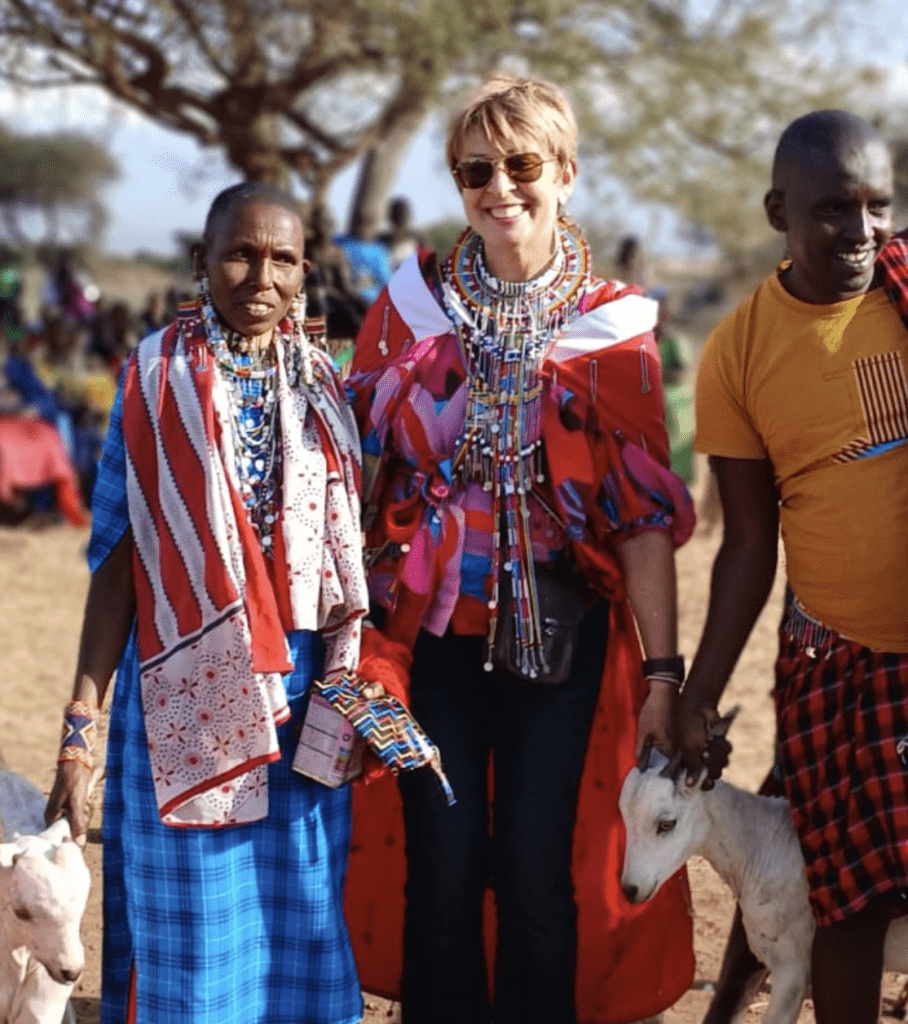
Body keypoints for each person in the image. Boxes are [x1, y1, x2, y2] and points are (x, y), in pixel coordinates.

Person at [343, 74, 696, 1024]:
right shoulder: (410, 304)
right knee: (443, 867)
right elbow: (348, 476)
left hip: (561, 639)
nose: (501, 187)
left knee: (540, 871)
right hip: (431, 641)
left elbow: (643, 521)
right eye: (476, 171)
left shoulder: (613, 330)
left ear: (567, 175)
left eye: (524, 165)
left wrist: (665, 675)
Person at [44, 181, 371, 1024]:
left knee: (299, 914)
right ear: (201, 262)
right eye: (240, 252)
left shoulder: (327, 386)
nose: (261, 275)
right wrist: (79, 735)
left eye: (283, 258)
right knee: (190, 936)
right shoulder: (153, 380)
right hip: (178, 692)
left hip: (302, 701)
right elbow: (117, 561)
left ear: (305, 273)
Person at [677, 110, 907, 1024]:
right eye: (831, 210)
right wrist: (698, 695)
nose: (860, 233)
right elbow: (745, 542)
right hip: (838, 663)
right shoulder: (738, 353)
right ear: (779, 209)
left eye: (877, 206)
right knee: (846, 901)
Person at [377, 196, 424, 272]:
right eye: (399, 214)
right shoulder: (382, 240)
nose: (400, 217)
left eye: (402, 214)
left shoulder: (418, 238)